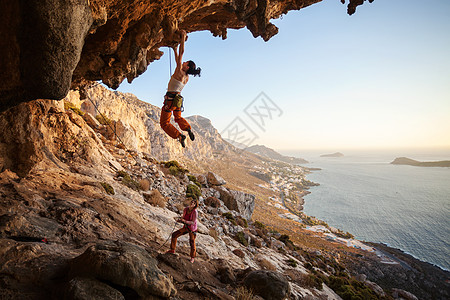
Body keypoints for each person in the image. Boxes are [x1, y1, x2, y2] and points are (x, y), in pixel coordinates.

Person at [160, 30, 201, 148]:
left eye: (185, 62)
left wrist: (182, 38)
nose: (183, 62)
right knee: (177, 117)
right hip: (178, 100)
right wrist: (173, 49)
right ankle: (187, 128)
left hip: (170, 100)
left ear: (187, 66)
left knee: (164, 123)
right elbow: (178, 60)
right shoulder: (186, 77)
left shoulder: (179, 71)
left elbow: (181, 54)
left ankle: (179, 135)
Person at [166, 198, 198, 263]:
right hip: (186, 227)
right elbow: (183, 217)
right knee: (174, 235)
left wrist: (185, 221)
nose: (192, 203)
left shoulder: (195, 212)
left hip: (192, 229)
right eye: (192, 202)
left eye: (194, 203)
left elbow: (193, 222)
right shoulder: (186, 209)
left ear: (195, 205)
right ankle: (172, 250)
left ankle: (192, 257)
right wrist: (180, 220)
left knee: (192, 242)